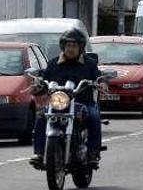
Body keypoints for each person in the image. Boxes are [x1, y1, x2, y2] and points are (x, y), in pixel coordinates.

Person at [29, 28, 103, 168]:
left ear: (80, 47)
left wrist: (102, 83)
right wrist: (38, 86)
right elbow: (43, 80)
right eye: (68, 45)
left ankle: (93, 152)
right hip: (58, 103)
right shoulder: (53, 63)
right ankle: (39, 153)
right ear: (63, 46)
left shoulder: (89, 64)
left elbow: (98, 77)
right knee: (41, 116)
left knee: (94, 117)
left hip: (83, 102)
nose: (70, 49)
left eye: (74, 46)